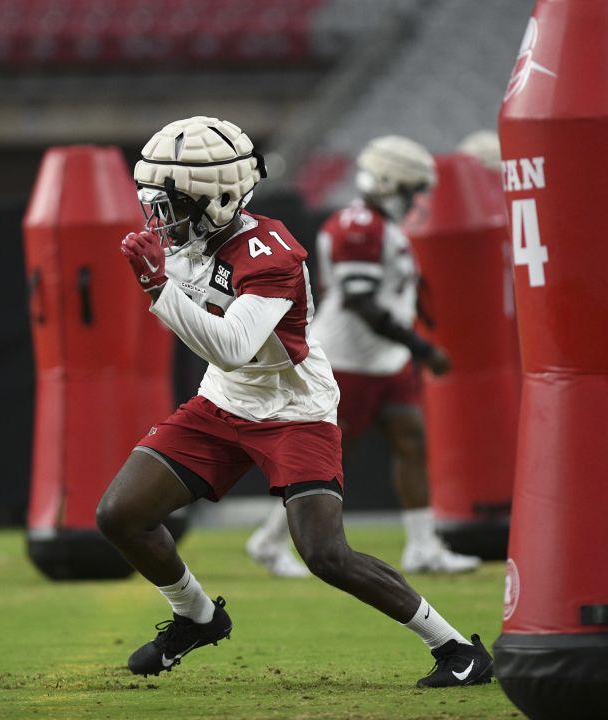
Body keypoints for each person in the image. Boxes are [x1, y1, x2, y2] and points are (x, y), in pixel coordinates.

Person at [98, 116, 493, 688]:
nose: (161, 220)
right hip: (224, 402)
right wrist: (164, 286)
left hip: (293, 409)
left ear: (217, 198)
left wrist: (159, 290)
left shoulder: (271, 252)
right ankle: (196, 617)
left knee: (325, 553)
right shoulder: (191, 242)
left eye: (172, 204)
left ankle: (455, 646)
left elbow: (234, 346)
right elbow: (226, 362)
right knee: (121, 514)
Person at [245, 135, 481, 576]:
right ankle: (270, 539)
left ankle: (423, 546)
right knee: (330, 457)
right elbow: (360, 299)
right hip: (346, 360)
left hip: (382, 358)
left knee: (411, 440)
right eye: (411, 192)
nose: (415, 202)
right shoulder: (359, 225)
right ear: (390, 183)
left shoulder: (382, 227)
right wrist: (422, 347)